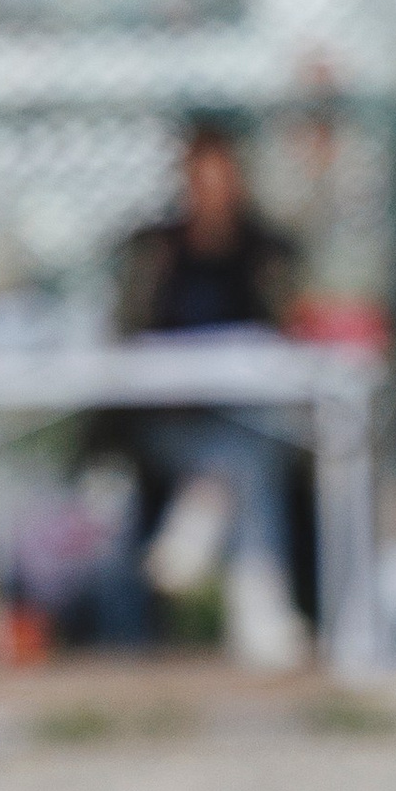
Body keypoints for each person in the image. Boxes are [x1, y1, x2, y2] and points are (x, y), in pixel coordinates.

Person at [113, 116, 309, 668]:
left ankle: (199, 521)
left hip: (254, 418)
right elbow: (126, 342)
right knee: (242, 466)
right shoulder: (157, 253)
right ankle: (262, 618)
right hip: (172, 425)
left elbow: (289, 335)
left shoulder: (266, 251)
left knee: (240, 454)